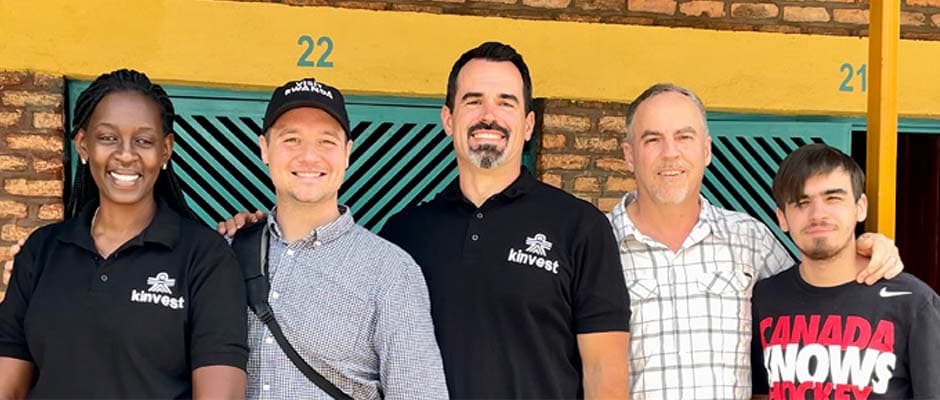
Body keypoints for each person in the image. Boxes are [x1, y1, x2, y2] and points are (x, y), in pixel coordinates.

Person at [609, 83, 905, 399]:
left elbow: (818, 291)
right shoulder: (595, 245)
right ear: (629, 155)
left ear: (706, 150)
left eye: (684, 137)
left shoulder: (749, 239)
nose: (670, 153)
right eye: (653, 139)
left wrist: (867, 248)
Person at [377, 42, 630, 399]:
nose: (488, 115)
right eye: (473, 100)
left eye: (505, 102)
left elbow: (604, 369)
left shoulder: (580, 228)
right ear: (448, 119)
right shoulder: (403, 233)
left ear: (528, 125)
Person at [0, 69, 248, 399]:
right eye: (108, 138)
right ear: (84, 145)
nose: (126, 154)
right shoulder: (42, 250)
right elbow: (8, 381)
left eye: (143, 140)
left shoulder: (204, 256)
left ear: (166, 150)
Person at [241, 78, 447, 399]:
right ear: (264, 148)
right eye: (291, 139)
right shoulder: (226, 254)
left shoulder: (391, 272)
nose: (309, 156)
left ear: (348, 153)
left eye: (326, 141)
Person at [751, 144, 940, 399]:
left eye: (833, 198)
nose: (818, 214)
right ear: (782, 218)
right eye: (801, 202)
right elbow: (760, 392)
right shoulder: (765, 298)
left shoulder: (913, 302)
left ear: (860, 206)